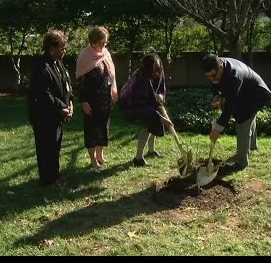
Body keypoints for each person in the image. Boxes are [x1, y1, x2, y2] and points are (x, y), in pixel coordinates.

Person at [202, 53, 271, 170]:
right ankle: (252, 146)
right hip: (245, 91)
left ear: (220, 67)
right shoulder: (217, 65)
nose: (212, 79)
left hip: (257, 94)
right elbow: (218, 85)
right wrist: (218, 96)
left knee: (243, 120)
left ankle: (241, 161)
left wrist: (218, 129)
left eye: (213, 76)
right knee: (248, 117)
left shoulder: (234, 75)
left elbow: (230, 107)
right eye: (208, 77)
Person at [28, 29, 74, 189]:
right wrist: (61, 107)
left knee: (55, 147)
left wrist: (70, 103)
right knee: (46, 148)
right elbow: (43, 94)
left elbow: (66, 84)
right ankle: (47, 180)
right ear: (51, 48)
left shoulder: (58, 63)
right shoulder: (42, 67)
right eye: (62, 48)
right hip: (44, 116)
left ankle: (55, 175)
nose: (64, 51)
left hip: (58, 115)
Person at [76, 26, 118, 171]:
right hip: (91, 100)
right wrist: (83, 101)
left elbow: (111, 75)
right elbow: (80, 81)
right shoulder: (84, 56)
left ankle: (100, 155)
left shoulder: (105, 53)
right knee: (92, 129)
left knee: (103, 128)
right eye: (101, 43)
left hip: (105, 99)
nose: (103, 46)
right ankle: (93, 160)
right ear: (93, 42)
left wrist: (112, 91)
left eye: (105, 43)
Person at [119, 53, 171, 167]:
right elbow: (137, 98)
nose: (157, 72)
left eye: (158, 69)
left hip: (149, 102)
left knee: (155, 119)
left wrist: (161, 96)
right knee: (150, 122)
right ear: (147, 69)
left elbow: (161, 89)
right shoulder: (139, 78)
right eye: (154, 70)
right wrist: (160, 114)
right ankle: (138, 159)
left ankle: (151, 151)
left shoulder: (159, 71)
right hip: (132, 103)